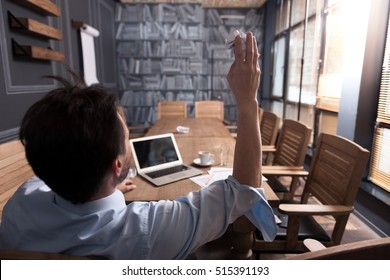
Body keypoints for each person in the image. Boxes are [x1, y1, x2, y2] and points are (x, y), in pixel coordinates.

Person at [0, 32, 276, 259]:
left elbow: (63, 167)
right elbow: (244, 190)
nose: (130, 139)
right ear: (117, 165)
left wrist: (105, 186)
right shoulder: (148, 232)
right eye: (127, 137)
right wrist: (247, 100)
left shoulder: (20, 204)